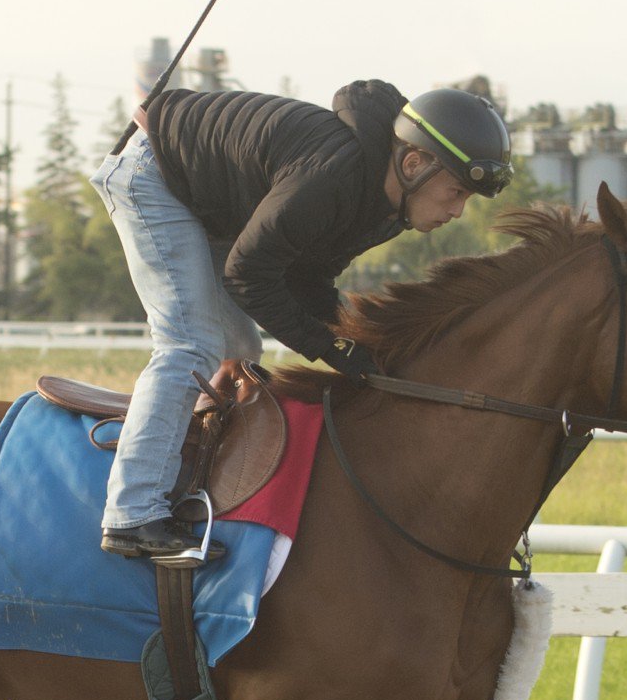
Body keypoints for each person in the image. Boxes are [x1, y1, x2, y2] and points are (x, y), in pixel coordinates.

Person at [90, 81, 513, 562]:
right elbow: (247, 277)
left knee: (243, 350)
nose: (457, 211)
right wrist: (332, 349)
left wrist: (364, 345)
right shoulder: (333, 177)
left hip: (208, 199)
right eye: (456, 191)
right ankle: (131, 515)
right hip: (154, 174)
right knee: (190, 344)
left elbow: (309, 280)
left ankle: (196, 485)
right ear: (414, 164)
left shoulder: (386, 205)